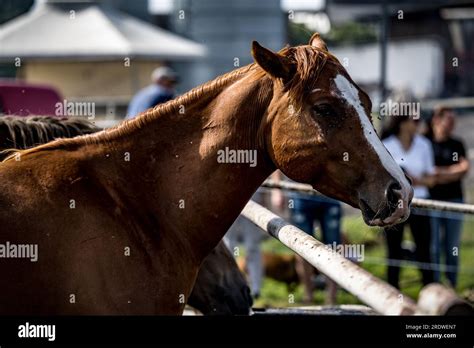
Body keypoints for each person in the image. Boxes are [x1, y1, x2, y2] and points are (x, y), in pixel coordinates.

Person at [381, 92, 436, 289]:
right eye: (415, 119)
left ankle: (430, 293)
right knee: (393, 252)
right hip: (393, 206)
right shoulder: (386, 146)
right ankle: (390, 294)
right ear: (402, 122)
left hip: (420, 204)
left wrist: (409, 180)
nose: (419, 123)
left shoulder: (425, 145)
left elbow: (431, 180)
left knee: (424, 252)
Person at [272, 171, 341, 304]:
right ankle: (308, 295)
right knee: (302, 246)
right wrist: (277, 189)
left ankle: (331, 297)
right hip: (300, 194)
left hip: (330, 191)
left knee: (333, 244)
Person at [426, 106, 469, 287]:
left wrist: (439, 175)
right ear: (437, 119)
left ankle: (451, 284)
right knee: (434, 247)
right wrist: (449, 173)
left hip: (454, 201)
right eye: (449, 120)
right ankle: (435, 285)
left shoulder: (456, 144)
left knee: (452, 247)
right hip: (431, 202)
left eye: (454, 121)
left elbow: (463, 168)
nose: (452, 125)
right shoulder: (425, 143)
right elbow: (426, 173)